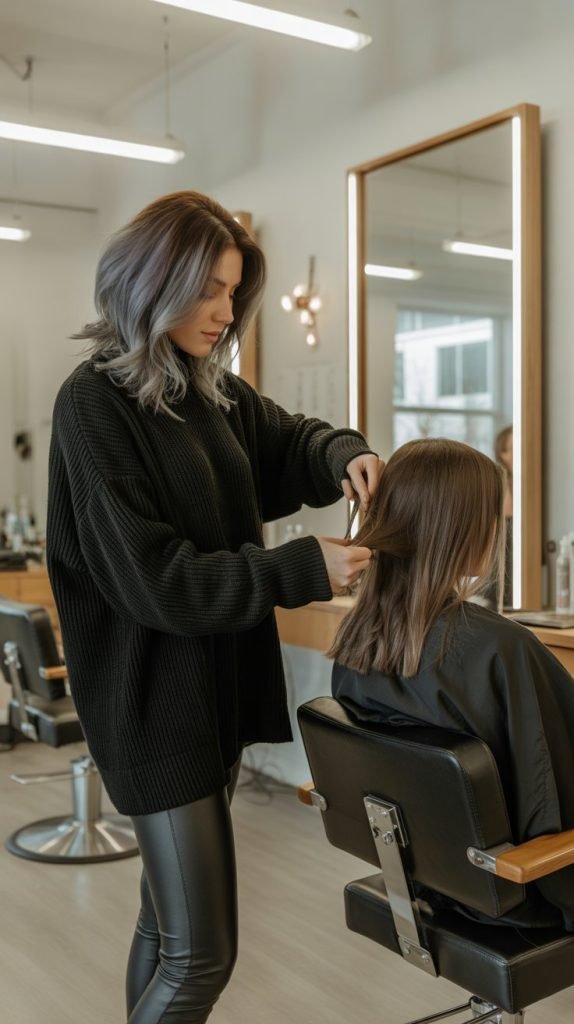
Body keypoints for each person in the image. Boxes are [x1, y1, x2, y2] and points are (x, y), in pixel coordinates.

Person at [46, 190, 381, 1023]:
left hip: (209, 701)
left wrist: (349, 453)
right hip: (151, 708)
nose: (224, 310)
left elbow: (291, 440)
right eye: (209, 290)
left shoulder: (208, 392)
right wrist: (305, 566)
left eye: (232, 292)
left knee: (165, 932)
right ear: (152, 281)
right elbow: (159, 580)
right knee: (201, 959)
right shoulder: (93, 404)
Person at [329, 437, 574, 931]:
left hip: (437, 881)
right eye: (490, 514)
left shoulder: (357, 641)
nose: (497, 527)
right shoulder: (500, 648)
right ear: (458, 527)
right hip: (524, 888)